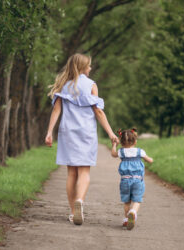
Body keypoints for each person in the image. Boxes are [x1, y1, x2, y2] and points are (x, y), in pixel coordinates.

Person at [45, 53, 118, 226]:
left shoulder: (64, 85)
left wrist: (49, 132)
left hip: (67, 132)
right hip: (86, 133)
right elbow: (98, 112)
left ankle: (72, 212)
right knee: (84, 172)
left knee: (71, 172)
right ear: (83, 67)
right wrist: (110, 132)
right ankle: (80, 201)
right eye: (89, 65)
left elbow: (56, 111)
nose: (91, 68)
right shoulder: (91, 85)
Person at [111, 128, 153, 230]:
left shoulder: (121, 152)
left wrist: (114, 145)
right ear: (135, 141)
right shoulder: (140, 151)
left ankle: (126, 219)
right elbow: (149, 160)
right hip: (138, 180)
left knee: (126, 202)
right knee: (137, 200)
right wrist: (150, 159)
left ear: (121, 142)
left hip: (125, 180)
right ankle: (133, 212)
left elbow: (113, 154)